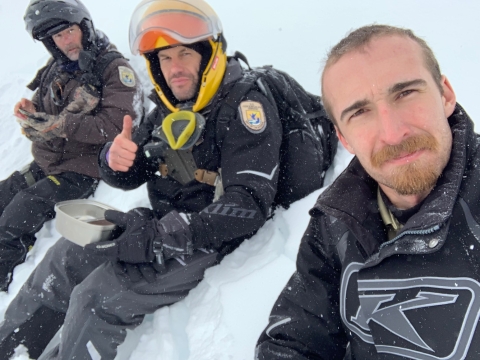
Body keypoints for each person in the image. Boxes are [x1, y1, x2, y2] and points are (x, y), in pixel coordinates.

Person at [0, 0, 335, 359]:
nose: (174, 69)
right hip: (166, 226)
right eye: (164, 59)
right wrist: (117, 162)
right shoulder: (169, 107)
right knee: (63, 257)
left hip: (212, 235)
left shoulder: (244, 106)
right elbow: (137, 171)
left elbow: (248, 205)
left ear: (208, 54)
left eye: (183, 54)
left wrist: (160, 237)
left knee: (96, 297)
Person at [256, 23, 480, 359]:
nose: (393, 132)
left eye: (405, 93)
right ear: (344, 137)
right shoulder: (336, 222)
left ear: (445, 95)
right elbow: (295, 339)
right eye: (360, 112)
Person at [0, 0, 141, 292]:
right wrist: (31, 108)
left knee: (17, 215)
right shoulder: (58, 67)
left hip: (79, 172)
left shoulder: (113, 68)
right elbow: (45, 104)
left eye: (70, 31)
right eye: (57, 37)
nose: (66, 41)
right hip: (48, 163)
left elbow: (116, 124)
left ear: (84, 27)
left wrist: (63, 126)